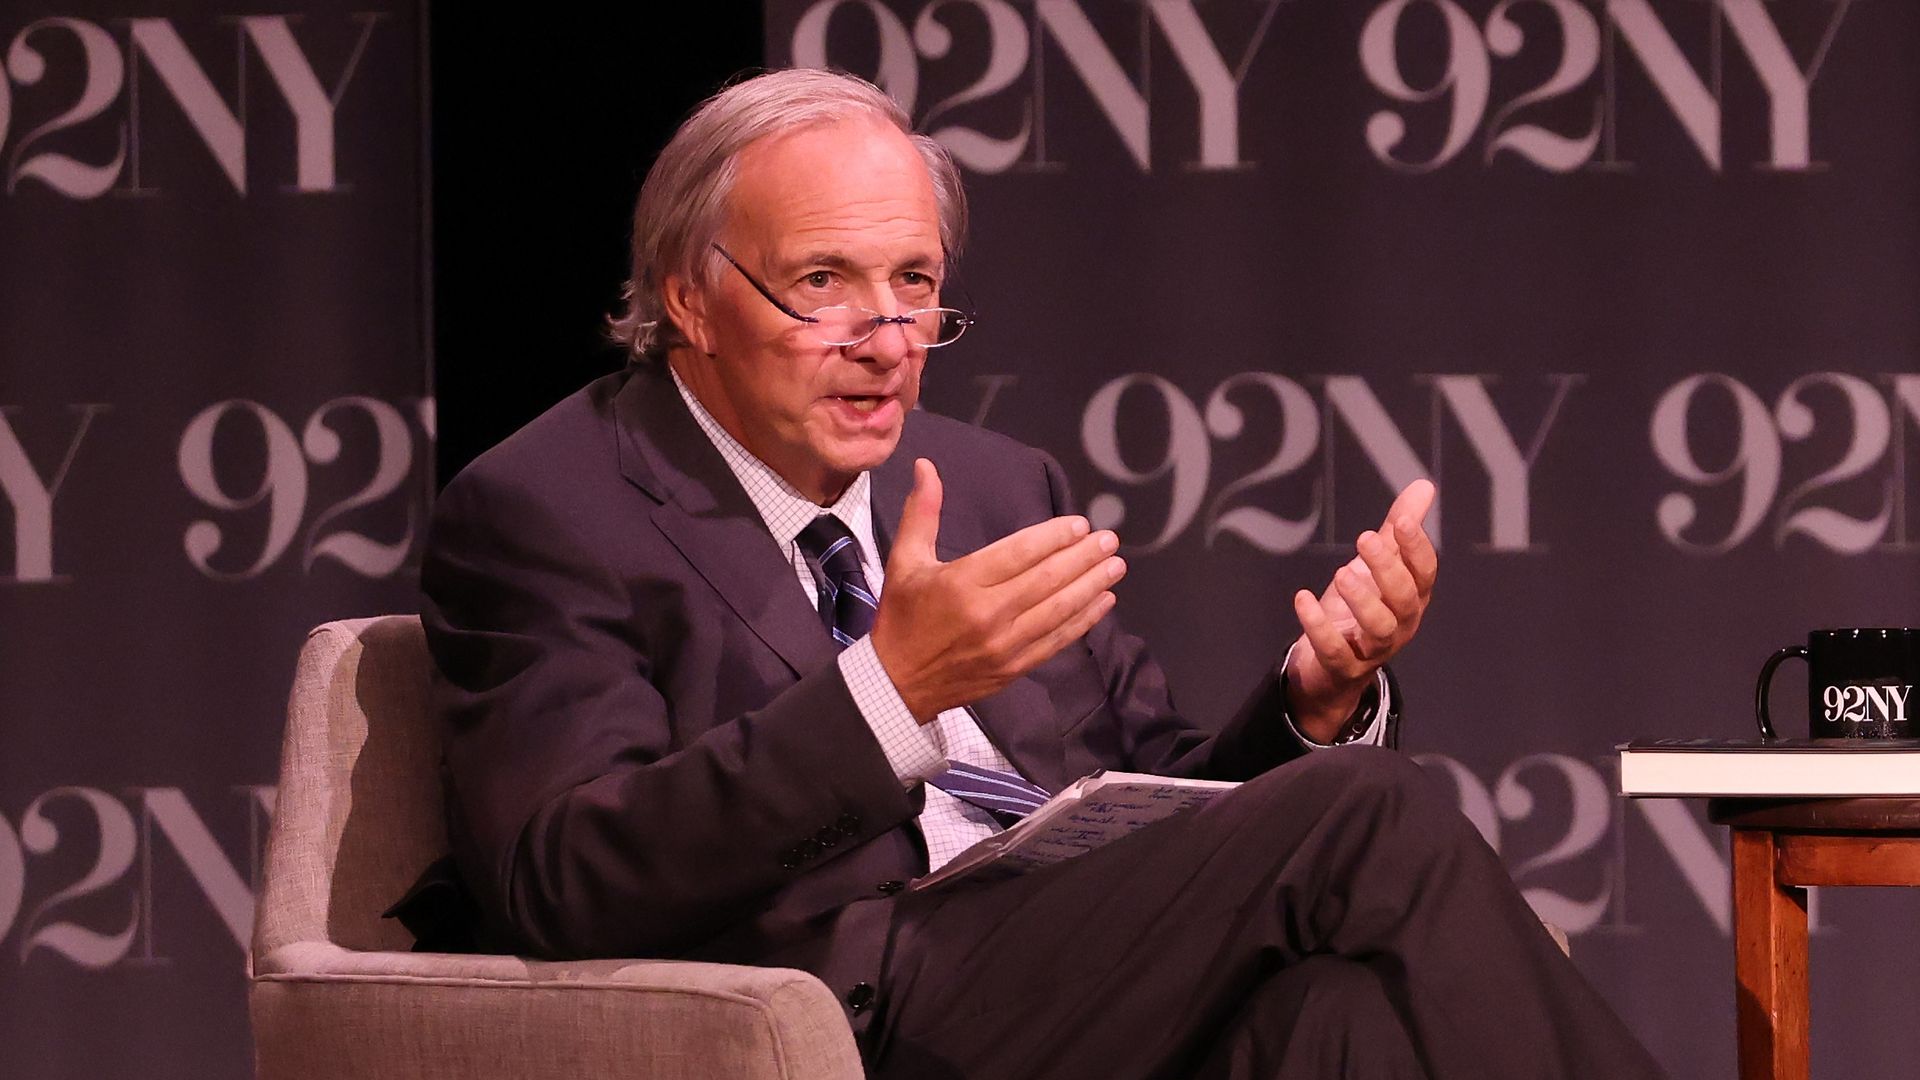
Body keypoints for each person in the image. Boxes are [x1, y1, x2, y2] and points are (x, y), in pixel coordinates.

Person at [418, 68, 1666, 1079]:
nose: (887, 341)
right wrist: (887, 695)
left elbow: (1163, 796)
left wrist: (1310, 707)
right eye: (822, 285)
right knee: (1369, 809)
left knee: (1342, 1024)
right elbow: (563, 880)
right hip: (858, 1000)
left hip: (1080, 965)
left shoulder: (994, 482)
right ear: (690, 298)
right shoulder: (551, 506)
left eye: (914, 285)